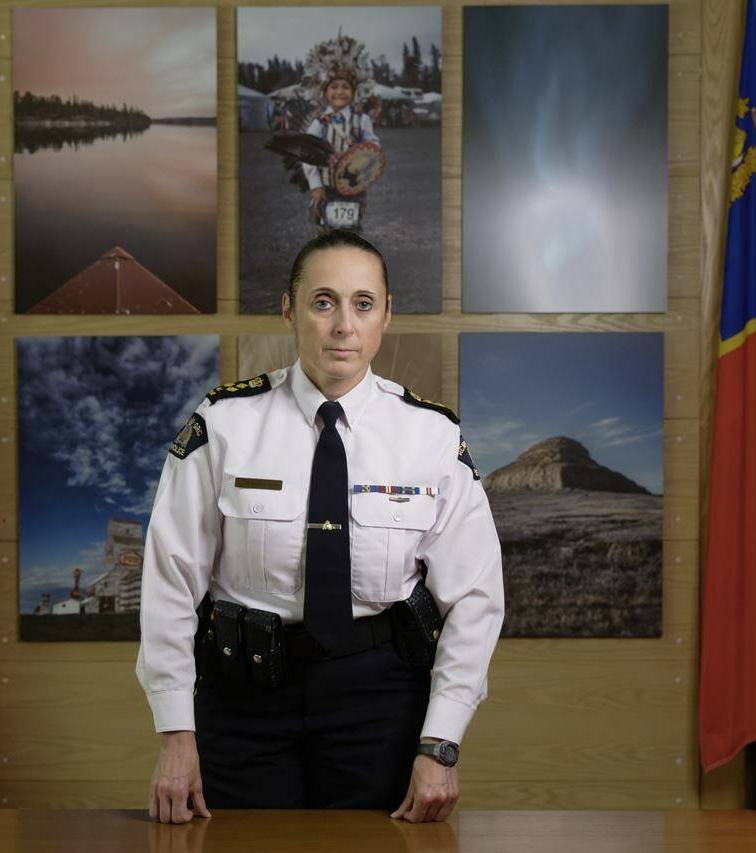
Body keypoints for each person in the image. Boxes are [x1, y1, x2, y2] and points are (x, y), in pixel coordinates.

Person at [137, 230, 504, 824]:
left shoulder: (430, 437)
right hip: (243, 698)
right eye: (323, 301)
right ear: (289, 309)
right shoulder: (225, 424)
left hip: (380, 703)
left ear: (386, 315)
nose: (343, 326)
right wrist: (176, 734)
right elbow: (170, 583)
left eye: (363, 304)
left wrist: (440, 742)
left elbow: (476, 598)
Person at [298, 36, 382, 232]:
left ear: (354, 92)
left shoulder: (361, 120)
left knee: (352, 229)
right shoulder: (319, 124)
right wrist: (316, 185)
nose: (340, 92)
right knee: (326, 231)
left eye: (345, 87)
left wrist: (367, 160)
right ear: (324, 92)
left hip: (355, 188)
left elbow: (373, 146)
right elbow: (307, 155)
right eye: (334, 87)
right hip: (326, 188)